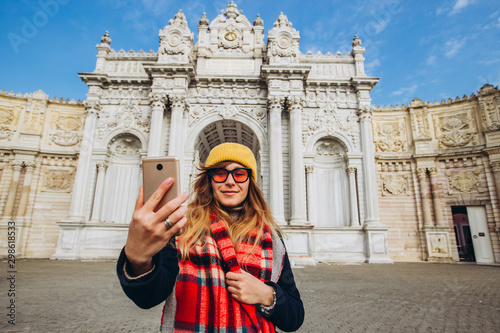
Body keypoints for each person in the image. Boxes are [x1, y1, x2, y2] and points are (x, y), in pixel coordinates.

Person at [117, 142, 305, 332]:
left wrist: (267, 295)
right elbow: (149, 297)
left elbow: (295, 316)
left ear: (250, 182)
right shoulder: (181, 230)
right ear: (209, 180)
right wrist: (138, 259)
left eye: (239, 174)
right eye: (220, 173)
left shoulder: (271, 238)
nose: (230, 181)